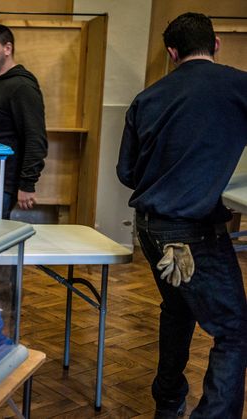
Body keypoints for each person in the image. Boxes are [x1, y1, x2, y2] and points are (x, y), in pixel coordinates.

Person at [117, 12, 247, 419]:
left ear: (172, 53)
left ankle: (167, 402)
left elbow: (128, 173)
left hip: (151, 228)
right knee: (234, 331)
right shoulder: (238, 86)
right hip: (191, 233)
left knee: (178, 311)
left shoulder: (148, 98)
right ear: (217, 44)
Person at [0, 24, 48, 219]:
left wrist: (27, 184)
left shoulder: (21, 86)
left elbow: (35, 138)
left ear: (7, 48)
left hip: (3, 182)